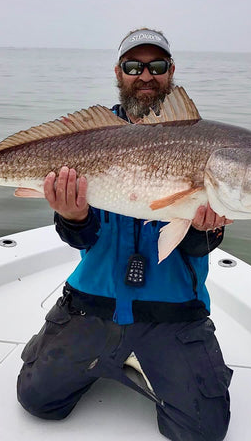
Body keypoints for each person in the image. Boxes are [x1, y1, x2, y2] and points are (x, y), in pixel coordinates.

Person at [17, 28, 233, 441]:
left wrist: (206, 230)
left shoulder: (203, 140)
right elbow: (83, 240)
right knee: (37, 401)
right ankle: (115, 354)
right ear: (119, 72)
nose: (145, 75)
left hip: (173, 310)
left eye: (157, 66)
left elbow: (192, 244)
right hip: (93, 300)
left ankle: (135, 356)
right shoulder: (89, 139)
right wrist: (73, 215)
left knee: (202, 432)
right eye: (134, 66)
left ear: (171, 72)